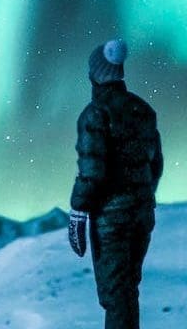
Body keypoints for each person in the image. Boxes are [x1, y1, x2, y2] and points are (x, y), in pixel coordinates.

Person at [68, 39, 163, 329]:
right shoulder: (143, 110)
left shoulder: (95, 114)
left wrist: (78, 211)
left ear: (95, 73)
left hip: (112, 220)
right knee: (127, 290)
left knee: (115, 295)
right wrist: (142, 197)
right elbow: (155, 164)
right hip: (142, 214)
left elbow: (92, 171)